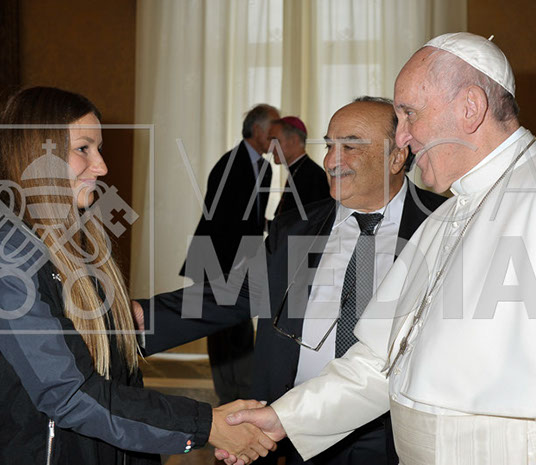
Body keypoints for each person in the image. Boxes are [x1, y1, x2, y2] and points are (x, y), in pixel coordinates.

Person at [224, 33, 536, 465]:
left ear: (470, 107)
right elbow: (380, 364)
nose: (402, 138)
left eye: (409, 114)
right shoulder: (446, 217)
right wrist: (283, 418)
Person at [0, 87, 275, 465]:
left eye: (99, 148)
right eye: (83, 148)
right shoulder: (2, 253)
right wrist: (206, 425)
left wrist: (262, 290)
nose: (102, 167)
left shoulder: (78, 238)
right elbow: (70, 394)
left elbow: (121, 330)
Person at [133, 96, 446, 465]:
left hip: (395, 433)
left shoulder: (442, 226)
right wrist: (136, 319)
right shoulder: (296, 227)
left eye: (350, 146)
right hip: (300, 430)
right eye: (329, 146)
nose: (331, 161)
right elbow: (235, 293)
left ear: (397, 157)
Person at [180, 103, 280, 407]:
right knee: (220, 329)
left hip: (242, 258)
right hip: (217, 257)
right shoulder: (229, 163)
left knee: (239, 327)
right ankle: (227, 395)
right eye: (273, 128)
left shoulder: (265, 169)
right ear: (258, 130)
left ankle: (243, 392)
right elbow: (219, 218)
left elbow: (253, 218)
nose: (277, 135)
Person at [267, 116, 330, 218]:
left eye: (275, 141)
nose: (270, 148)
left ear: (294, 140)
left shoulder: (314, 177)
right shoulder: (297, 170)